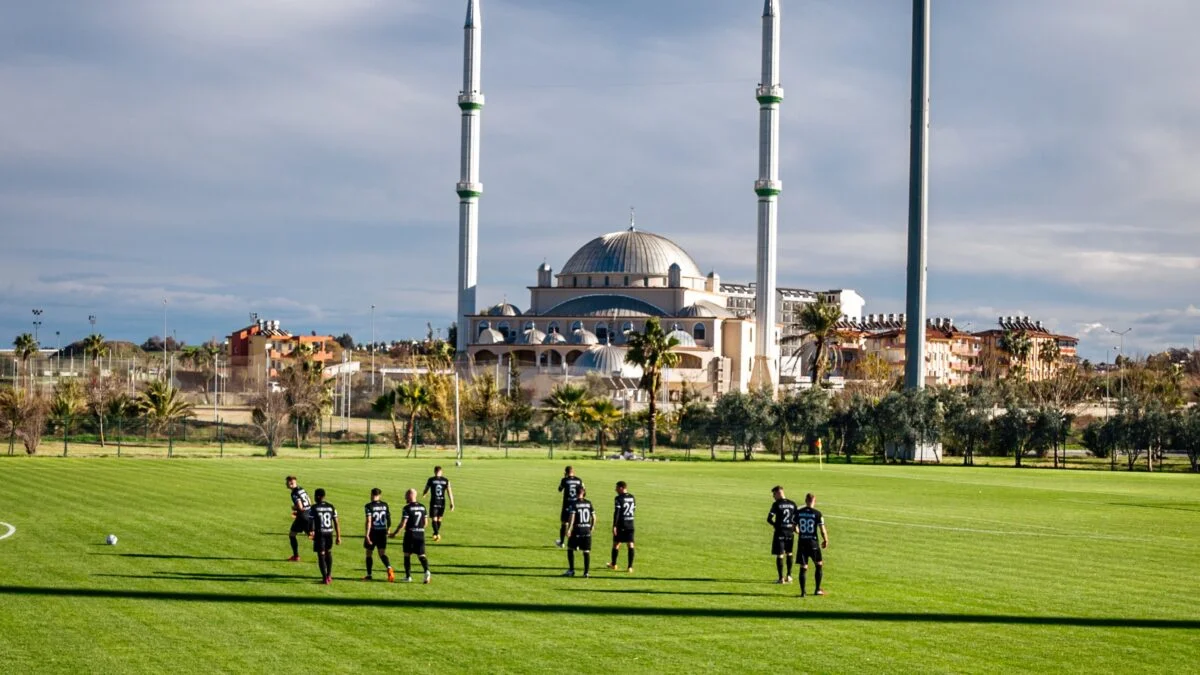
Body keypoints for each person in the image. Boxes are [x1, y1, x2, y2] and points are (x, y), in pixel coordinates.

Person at [390, 489, 431, 584]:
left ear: (409, 495)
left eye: (406, 495)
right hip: (420, 534)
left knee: (407, 555)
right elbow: (426, 523)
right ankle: (427, 571)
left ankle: (408, 576)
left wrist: (395, 533)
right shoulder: (423, 507)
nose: (405, 497)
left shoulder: (407, 508)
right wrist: (419, 528)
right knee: (421, 555)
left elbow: (403, 523)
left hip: (410, 534)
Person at [795, 492, 829, 597]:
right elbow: (822, 529)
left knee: (803, 567)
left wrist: (800, 533)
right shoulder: (817, 513)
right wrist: (826, 540)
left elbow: (793, 527)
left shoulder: (798, 512)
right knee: (819, 564)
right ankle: (817, 589)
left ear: (805, 501)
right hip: (813, 543)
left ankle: (803, 592)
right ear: (814, 501)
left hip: (802, 543)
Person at [307, 488, 341, 584]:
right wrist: (338, 536)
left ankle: (325, 577)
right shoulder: (331, 507)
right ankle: (329, 575)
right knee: (328, 552)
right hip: (329, 533)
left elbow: (311, 521)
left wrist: (311, 531)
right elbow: (336, 522)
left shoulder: (314, 508)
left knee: (321, 555)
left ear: (317, 496)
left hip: (320, 533)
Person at [766, 486, 798, 584]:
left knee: (780, 555)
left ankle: (781, 579)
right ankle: (789, 576)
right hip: (790, 533)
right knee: (789, 553)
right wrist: (795, 527)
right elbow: (796, 519)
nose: (773, 497)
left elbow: (769, 519)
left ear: (778, 493)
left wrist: (775, 525)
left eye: (774, 494)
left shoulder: (776, 504)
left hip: (780, 532)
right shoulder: (793, 504)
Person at [363, 488, 394, 582]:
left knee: (369, 553)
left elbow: (369, 521)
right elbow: (388, 518)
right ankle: (389, 567)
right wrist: (388, 528)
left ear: (371, 494)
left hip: (373, 532)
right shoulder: (385, 505)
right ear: (380, 495)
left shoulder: (368, 506)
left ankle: (369, 574)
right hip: (382, 531)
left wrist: (367, 534)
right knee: (382, 553)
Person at [563, 487, 595, 577]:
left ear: (576, 493)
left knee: (570, 549)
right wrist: (592, 526)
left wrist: (569, 529)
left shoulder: (574, 504)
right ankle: (586, 573)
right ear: (584, 493)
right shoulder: (589, 503)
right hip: (587, 530)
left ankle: (571, 570)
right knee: (586, 551)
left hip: (577, 530)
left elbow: (572, 517)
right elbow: (594, 517)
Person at [607, 481, 636, 573]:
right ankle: (630, 567)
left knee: (616, 544)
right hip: (630, 523)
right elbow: (634, 509)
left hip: (621, 524)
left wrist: (614, 525)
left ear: (621, 488)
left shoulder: (618, 498)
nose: (615, 489)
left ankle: (614, 564)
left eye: (616, 487)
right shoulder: (632, 497)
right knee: (630, 544)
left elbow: (617, 513)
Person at [422, 466, 455, 542]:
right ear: (441, 472)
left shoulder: (431, 480)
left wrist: (424, 493)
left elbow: (426, 489)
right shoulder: (446, 480)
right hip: (442, 501)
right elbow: (449, 492)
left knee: (434, 518)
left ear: (434, 471)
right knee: (439, 518)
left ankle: (436, 533)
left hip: (434, 501)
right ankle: (436, 533)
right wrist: (452, 503)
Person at [285, 476, 312, 562]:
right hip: (309, 514)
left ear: (291, 483)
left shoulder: (294, 493)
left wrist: (294, 508)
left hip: (302, 516)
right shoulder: (301, 489)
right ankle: (325, 554)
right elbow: (309, 502)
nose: (286, 484)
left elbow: (300, 507)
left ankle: (296, 556)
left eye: (287, 482)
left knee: (292, 535)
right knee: (311, 536)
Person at [556, 465, 584, 548]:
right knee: (576, 524)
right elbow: (583, 492)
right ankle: (577, 544)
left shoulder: (564, 480)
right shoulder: (579, 480)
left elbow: (560, 489)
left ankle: (562, 542)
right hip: (576, 504)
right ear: (573, 471)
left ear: (566, 472)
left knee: (564, 523)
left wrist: (564, 478)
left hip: (567, 504)